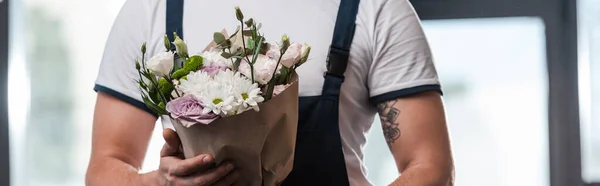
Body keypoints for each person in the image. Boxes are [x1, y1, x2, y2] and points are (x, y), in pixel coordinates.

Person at [85, 0, 455, 185]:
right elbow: (105, 165)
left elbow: (430, 166)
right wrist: (160, 184)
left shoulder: (376, 7)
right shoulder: (154, 9)